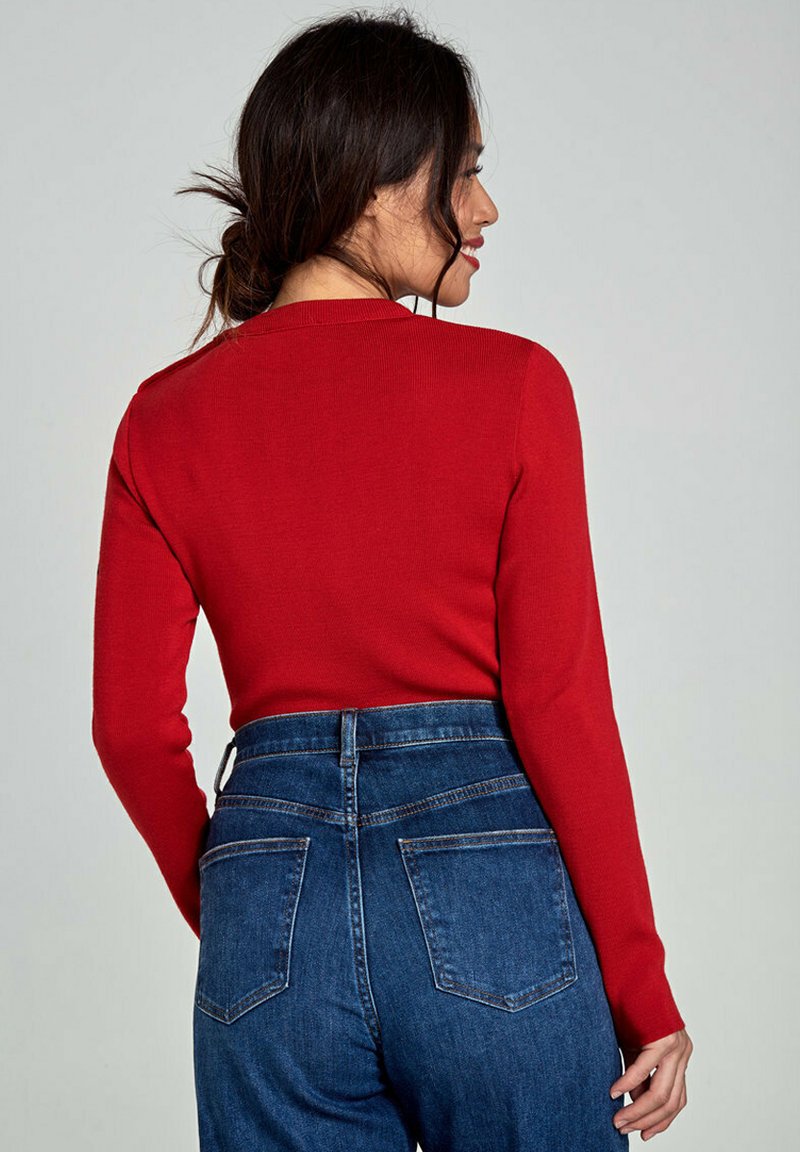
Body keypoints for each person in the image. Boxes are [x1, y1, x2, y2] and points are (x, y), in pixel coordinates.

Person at [91, 8, 692, 1150]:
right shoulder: (515, 387)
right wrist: (641, 991)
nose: (485, 208)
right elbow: (558, 705)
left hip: (269, 900)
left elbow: (128, 729)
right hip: (489, 892)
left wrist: (249, 903)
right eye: (463, 174)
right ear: (374, 183)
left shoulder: (160, 420)